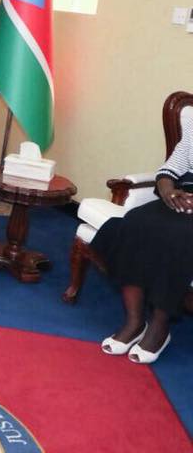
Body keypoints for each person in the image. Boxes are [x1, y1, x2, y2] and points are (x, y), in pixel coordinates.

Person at [93, 119, 193, 363]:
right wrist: (168, 192)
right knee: (135, 222)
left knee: (179, 237)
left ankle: (160, 326)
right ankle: (135, 321)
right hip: (182, 197)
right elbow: (170, 170)